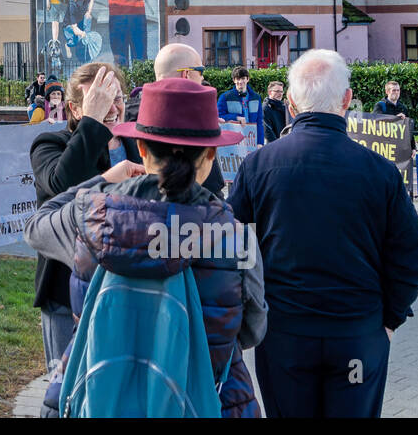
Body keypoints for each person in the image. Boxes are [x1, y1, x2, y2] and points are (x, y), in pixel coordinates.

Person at [27, 77, 264, 416]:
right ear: (211, 153)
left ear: (140, 148)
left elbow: (37, 225)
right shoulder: (235, 236)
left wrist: (104, 180)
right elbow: (252, 329)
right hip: (200, 402)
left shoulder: (91, 215)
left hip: (101, 400)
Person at [229, 49, 418, 418]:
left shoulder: (257, 166)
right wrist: (389, 320)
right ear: (347, 100)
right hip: (357, 332)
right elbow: (413, 262)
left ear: (290, 103)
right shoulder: (381, 172)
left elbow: (231, 252)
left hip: (285, 334)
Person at [29, 63, 140, 371]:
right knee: (66, 390)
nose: (112, 106)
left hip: (123, 290)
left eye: (116, 97)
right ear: (76, 109)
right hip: (65, 292)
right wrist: (94, 122)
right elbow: (61, 185)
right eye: (100, 99)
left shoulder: (137, 146)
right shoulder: (50, 145)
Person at [121, 44, 225, 197]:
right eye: (200, 71)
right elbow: (212, 188)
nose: (203, 77)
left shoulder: (128, 115)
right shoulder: (193, 117)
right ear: (186, 74)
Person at [217, 67, 264, 145]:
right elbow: (218, 116)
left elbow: (259, 122)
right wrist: (236, 118)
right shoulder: (225, 97)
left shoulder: (256, 97)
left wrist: (260, 143)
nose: (240, 81)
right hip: (233, 141)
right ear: (234, 80)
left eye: (243, 78)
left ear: (247, 79)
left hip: (251, 139)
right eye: (237, 79)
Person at [63, 0, 101, 65]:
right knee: (76, 40)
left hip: (80, 21)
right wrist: (82, 33)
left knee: (88, 18)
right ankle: (67, 45)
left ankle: (87, 53)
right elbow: (75, 29)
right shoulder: (72, 2)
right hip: (70, 25)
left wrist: (89, 11)